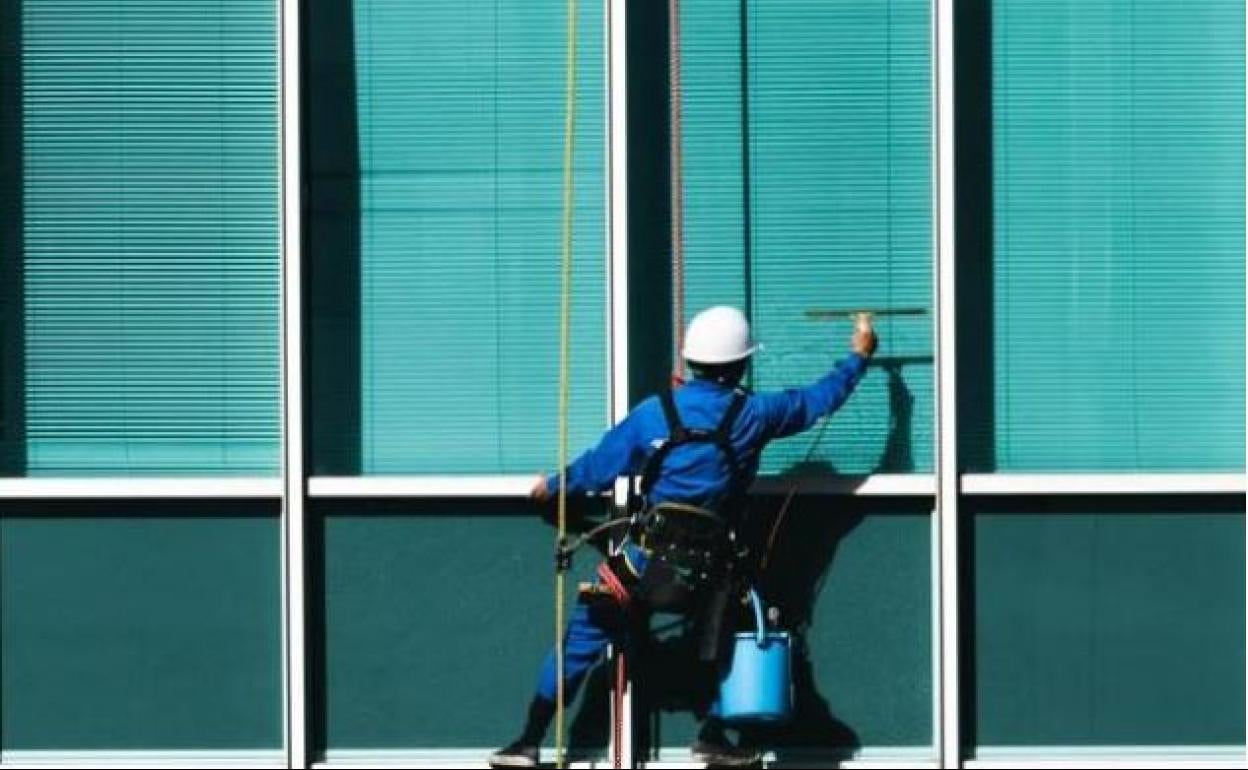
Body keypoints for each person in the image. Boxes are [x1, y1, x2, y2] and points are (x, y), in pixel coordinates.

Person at [489, 306, 878, 769]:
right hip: (708, 573)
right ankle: (714, 734)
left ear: (689, 362)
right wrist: (858, 357)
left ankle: (528, 740)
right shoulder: (755, 414)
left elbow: (597, 466)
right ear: (741, 364)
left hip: (640, 563)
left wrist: (550, 487)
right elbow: (819, 399)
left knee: (581, 641)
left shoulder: (654, 415)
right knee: (737, 627)